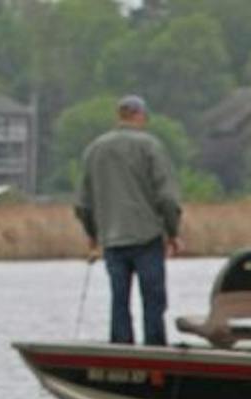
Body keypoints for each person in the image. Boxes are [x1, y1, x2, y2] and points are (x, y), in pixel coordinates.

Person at [74, 94, 182, 347]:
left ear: (119, 115)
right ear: (140, 115)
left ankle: (121, 349)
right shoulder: (150, 146)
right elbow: (167, 198)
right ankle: (155, 350)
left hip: (112, 238)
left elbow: (83, 204)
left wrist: (93, 235)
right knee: (153, 299)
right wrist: (173, 232)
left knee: (118, 299)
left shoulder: (94, 149)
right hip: (147, 237)